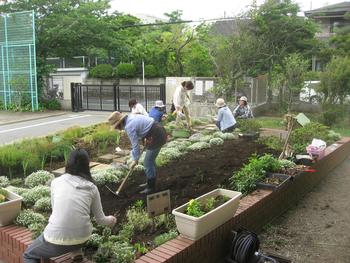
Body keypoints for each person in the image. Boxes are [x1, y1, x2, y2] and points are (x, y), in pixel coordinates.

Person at [23, 149, 116, 263]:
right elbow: (101, 220)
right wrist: (111, 220)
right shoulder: (92, 187)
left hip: (56, 239)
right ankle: (76, 251)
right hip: (83, 238)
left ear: (68, 163)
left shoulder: (56, 182)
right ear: (87, 165)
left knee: (29, 255)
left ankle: (72, 249)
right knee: (77, 220)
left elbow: (55, 210)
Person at [108, 111, 167, 194]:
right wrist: (145, 137)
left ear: (120, 123)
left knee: (148, 162)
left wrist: (135, 160)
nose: (118, 129)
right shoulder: (131, 118)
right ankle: (150, 182)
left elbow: (135, 145)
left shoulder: (129, 126)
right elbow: (144, 127)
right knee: (150, 161)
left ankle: (151, 187)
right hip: (155, 132)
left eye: (116, 127)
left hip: (157, 135)